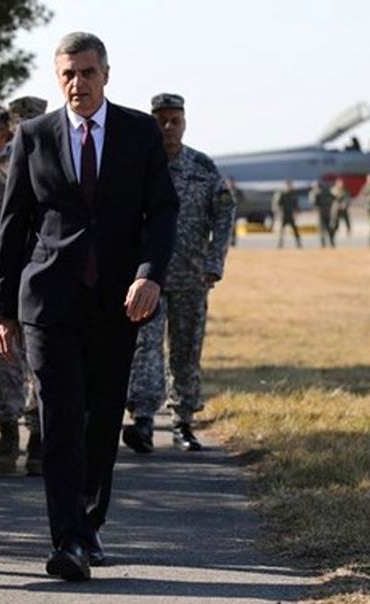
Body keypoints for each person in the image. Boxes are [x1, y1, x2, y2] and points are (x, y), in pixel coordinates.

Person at [0, 32, 177, 581]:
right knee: (61, 419)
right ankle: (68, 539)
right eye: (68, 74)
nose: (78, 83)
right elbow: (13, 225)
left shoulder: (139, 132)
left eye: (88, 73)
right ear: (58, 78)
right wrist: (1, 309)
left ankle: (89, 522)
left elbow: (162, 212)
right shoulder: (33, 136)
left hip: (119, 302)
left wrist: (150, 276)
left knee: (99, 421)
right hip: (48, 302)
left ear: (106, 75)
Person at [122, 93, 235, 454]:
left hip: (191, 277)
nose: (168, 127)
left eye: (175, 120)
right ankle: (142, 418)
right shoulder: (138, 164)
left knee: (186, 352)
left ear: (184, 123)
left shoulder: (202, 167)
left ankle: (183, 422)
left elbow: (224, 214)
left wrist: (214, 263)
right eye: (161, 120)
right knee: (146, 349)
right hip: (147, 279)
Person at [0, 95, 48, 477]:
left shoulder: (58, 164)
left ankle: (38, 436)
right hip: (1, 277)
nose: (26, 129)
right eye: (20, 123)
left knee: (42, 361)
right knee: (1, 360)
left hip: (46, 277)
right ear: (11, 126)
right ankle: (7, 431)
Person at [272, 180, 301, 249]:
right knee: (282, 231)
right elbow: (277, 204)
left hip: (290, 215)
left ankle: (298, 243)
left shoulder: (293, 194)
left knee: (295, 230)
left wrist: (297, 213)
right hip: (284, 215)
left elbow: (296, 205)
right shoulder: (282, 194)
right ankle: (280, 243)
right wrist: (278, 213)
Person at [310, 181, 334, 248]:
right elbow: (333, 199)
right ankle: (330, 243)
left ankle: (325, 243)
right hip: (326, 212)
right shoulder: (326, 193)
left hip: (323, 213)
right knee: (327, 228)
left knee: (324, 229)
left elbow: (314, 204)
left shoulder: (318, 194)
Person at [226, 177, 244, 247]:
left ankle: (233, 241)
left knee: (233, 227)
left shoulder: (237, 191)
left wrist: (238, 205)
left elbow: (242, 199)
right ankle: (227, 242)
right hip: (226, 212)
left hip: (234, 212)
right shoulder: (225, 190)